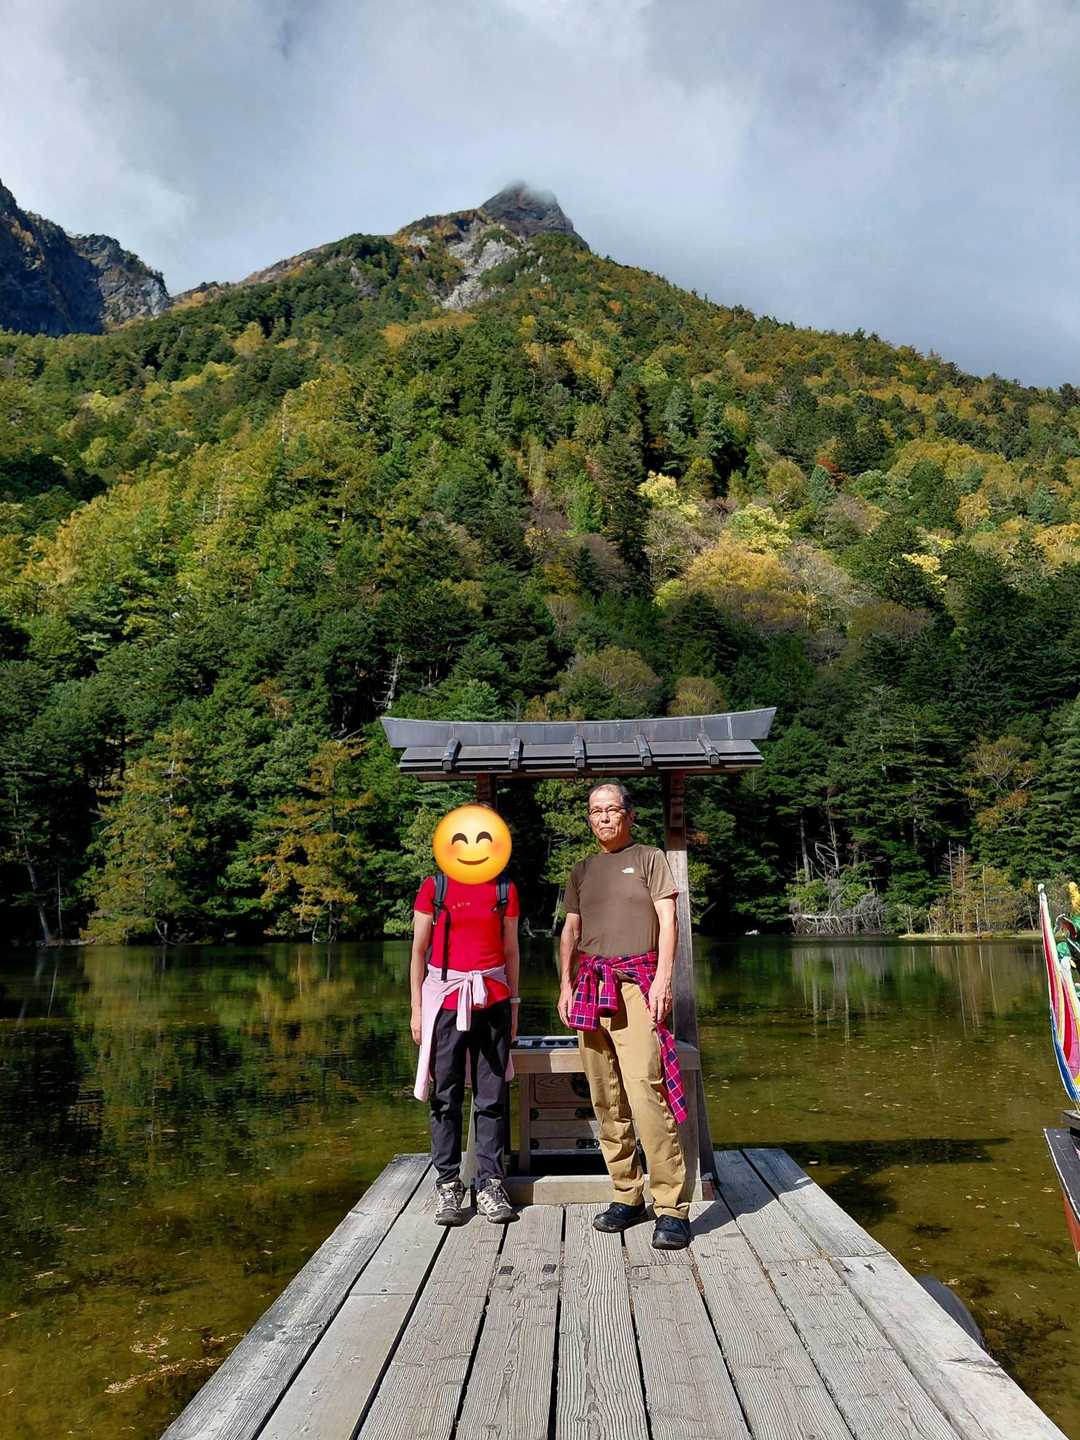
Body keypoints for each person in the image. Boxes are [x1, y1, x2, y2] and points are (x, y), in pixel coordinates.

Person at [557, 781, 691, 1249]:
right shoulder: (582, 870)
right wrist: (565, 985)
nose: (604, 817)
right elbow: (571, 931)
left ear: (629, 815)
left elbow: (669, 922)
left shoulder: (650, 859)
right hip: (590, 985)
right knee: (605, 1096)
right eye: (596, 811)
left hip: (637, 985)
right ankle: (626, 1194)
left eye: (612, 809)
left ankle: (670, 1207)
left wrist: (664, 980)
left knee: (645, 1091)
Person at [411, 808, 520, 1227]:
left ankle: (490, 1183)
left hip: (493, 1000)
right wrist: (417, 1010)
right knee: (446, 1093)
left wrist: (514, 1006)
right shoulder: (435, 887)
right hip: (445, 1000)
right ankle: (448, 1183)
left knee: (492, 1096)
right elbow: (418, 952)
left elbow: (511, 952)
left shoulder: (505, 888)